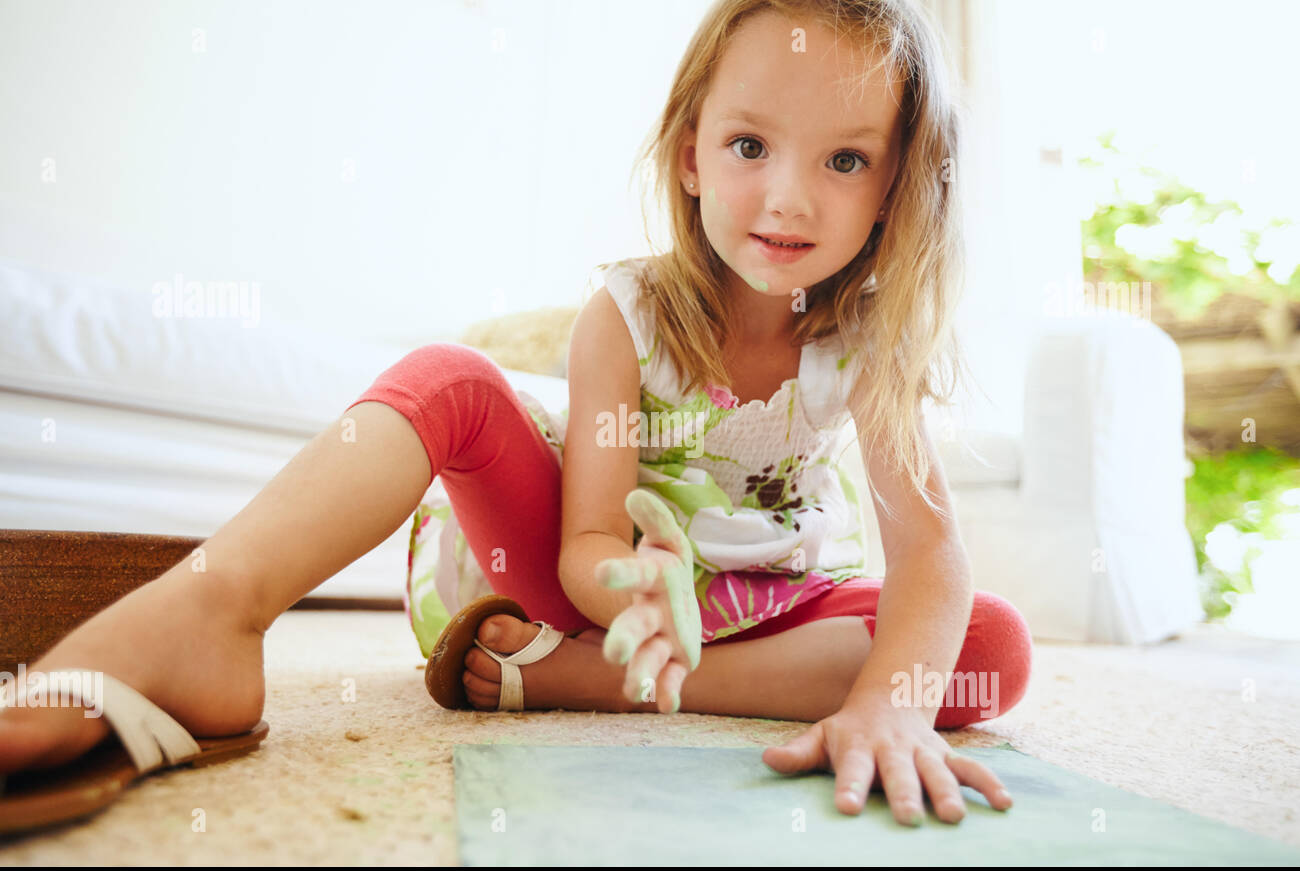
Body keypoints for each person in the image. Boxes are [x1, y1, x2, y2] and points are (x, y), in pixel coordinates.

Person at [0, 0, 1030, 827]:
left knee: (986, 647)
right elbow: (585, 533)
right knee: (450, 376)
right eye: (750, 144)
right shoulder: (623, 317)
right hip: (580, 590)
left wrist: (893, 707)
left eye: (843, 160)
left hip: (769, 602)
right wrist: (626, 583)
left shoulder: (866, 346)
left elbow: (931, 555)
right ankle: (207, 616)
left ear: (894, 186)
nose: (789, 198)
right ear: (688, 154)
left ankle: (580, 683)